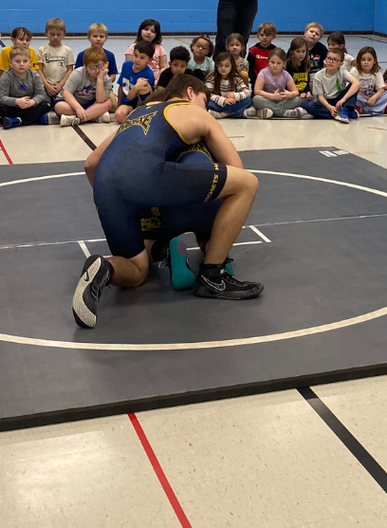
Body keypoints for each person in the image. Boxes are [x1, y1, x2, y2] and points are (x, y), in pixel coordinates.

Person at [73, 73, 264, 328]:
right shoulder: (193, 112)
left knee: (136, 268)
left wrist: (128, 205)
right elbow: (236, 168)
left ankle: (104, 269)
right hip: (152, 179)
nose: (205, 107)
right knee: (247, 184)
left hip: (107, 188)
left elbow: (91, 164)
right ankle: (212, 276)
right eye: (204, 100)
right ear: (190, 93)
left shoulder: (137, 114)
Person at [0, 47, 53, 128]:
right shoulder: (6, 76)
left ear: (30, 62)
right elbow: (1, 97)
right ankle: (35, 118)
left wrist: (32, 102)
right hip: (13, 106)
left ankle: (16, 121)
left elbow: (41, 94)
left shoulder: (34, 75)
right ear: (10, 63)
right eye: (17, 61)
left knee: (46, 104)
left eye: (25, 61)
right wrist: (17, 101)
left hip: (29, 105)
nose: (21, 64)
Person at [55, 48, 113, 126]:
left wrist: (100, 79)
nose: (97, 70)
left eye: (101, 66)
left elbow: (100, 100)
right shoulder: (78, 73)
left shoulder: (106, 78)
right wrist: (78, 108)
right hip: (72, 104)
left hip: (90, 104)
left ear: (106, 64)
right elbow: (66, 93)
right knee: (59, 107)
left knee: (108, 103)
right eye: (92, 67)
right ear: (85, 66)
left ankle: (75, 120)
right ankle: (94, 116)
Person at [307, 47, 359, 122]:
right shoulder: (318, 76)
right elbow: (320, 96)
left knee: (354, 86)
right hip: (326, 101)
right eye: (329, 58)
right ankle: (341, 113)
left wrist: (343, 99)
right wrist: (329, 107)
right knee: (310, 106)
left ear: (340, 64)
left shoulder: (342, 71)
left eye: (335, 60)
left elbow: (356, 83)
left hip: (340, 100)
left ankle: (344, 109)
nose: (331, 61)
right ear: (325, 60)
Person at [253, 47, 305, 118]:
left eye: (278, 63)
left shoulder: (285, 74)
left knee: (298, 100)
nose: (275, 65)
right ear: (268, 62)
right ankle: (284, 113)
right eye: (272, 62)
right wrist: (272, 96)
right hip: (267, 100)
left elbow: (296, 92)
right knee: (256, 99)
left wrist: (288, 94)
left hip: (281, 101)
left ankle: (269, 111)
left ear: (284, 64)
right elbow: (257, 91)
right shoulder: (263, 73)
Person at [114, 42, 156, 123]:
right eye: (136, 55)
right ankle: (136, 120)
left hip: (142, 105)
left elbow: (130, 96)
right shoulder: (126, 65)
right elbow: (121, 87)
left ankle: (139, 119)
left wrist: (136, 87)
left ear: (149, 60)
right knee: (118, 115)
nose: (137, 60)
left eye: (142, 58)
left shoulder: (148, 75)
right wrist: (119, 105)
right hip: (128, 103)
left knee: (143, 87)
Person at [36, 18, 74, 103]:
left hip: (62, 86)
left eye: (58, 34)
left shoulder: (67, 50)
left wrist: (61, 84)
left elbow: (70, 70)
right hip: (46, 86)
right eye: (52, 34)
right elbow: (39, 69)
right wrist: (46, 85)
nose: (55, 37)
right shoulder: (42, 50)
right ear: (46, 34)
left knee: (64, 103)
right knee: (43, 103)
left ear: (64, 34)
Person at [206, 51, 253, 118]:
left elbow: (248, 92)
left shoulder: (236, 78)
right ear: (216, 66)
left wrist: (234, 96)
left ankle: (224, 114)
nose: (223, 68)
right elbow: (208, 94)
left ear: (232, 66)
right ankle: (236, 113)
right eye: (220, 65)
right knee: (207, 103)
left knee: (248, 101)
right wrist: (223, 100)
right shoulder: (212, 77)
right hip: (218, 103)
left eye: (227, 66)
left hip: (232, 103)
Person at [351, 46, 387, 116]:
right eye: (363, 60)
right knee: (353, 96)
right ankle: (380, 108)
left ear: (374, 61)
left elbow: (381, 89)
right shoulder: (354, 71)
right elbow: (352, 89)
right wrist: (368, 99)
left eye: (369, 60)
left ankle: (364, 110)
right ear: (359, 61)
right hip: (360, 98)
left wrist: (374, 98)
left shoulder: (376, 71)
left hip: (372, 98)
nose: (366, 62)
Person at [286, 37, 313, 101]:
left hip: (304, 94)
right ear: (292, 51)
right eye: (298, 51)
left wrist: (308, 92)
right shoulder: (289, 65)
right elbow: (287, 85)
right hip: (293, 95)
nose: (301, 54)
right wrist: (299, 93)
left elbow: (306, 82)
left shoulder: (306, 64)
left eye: (303, 51)